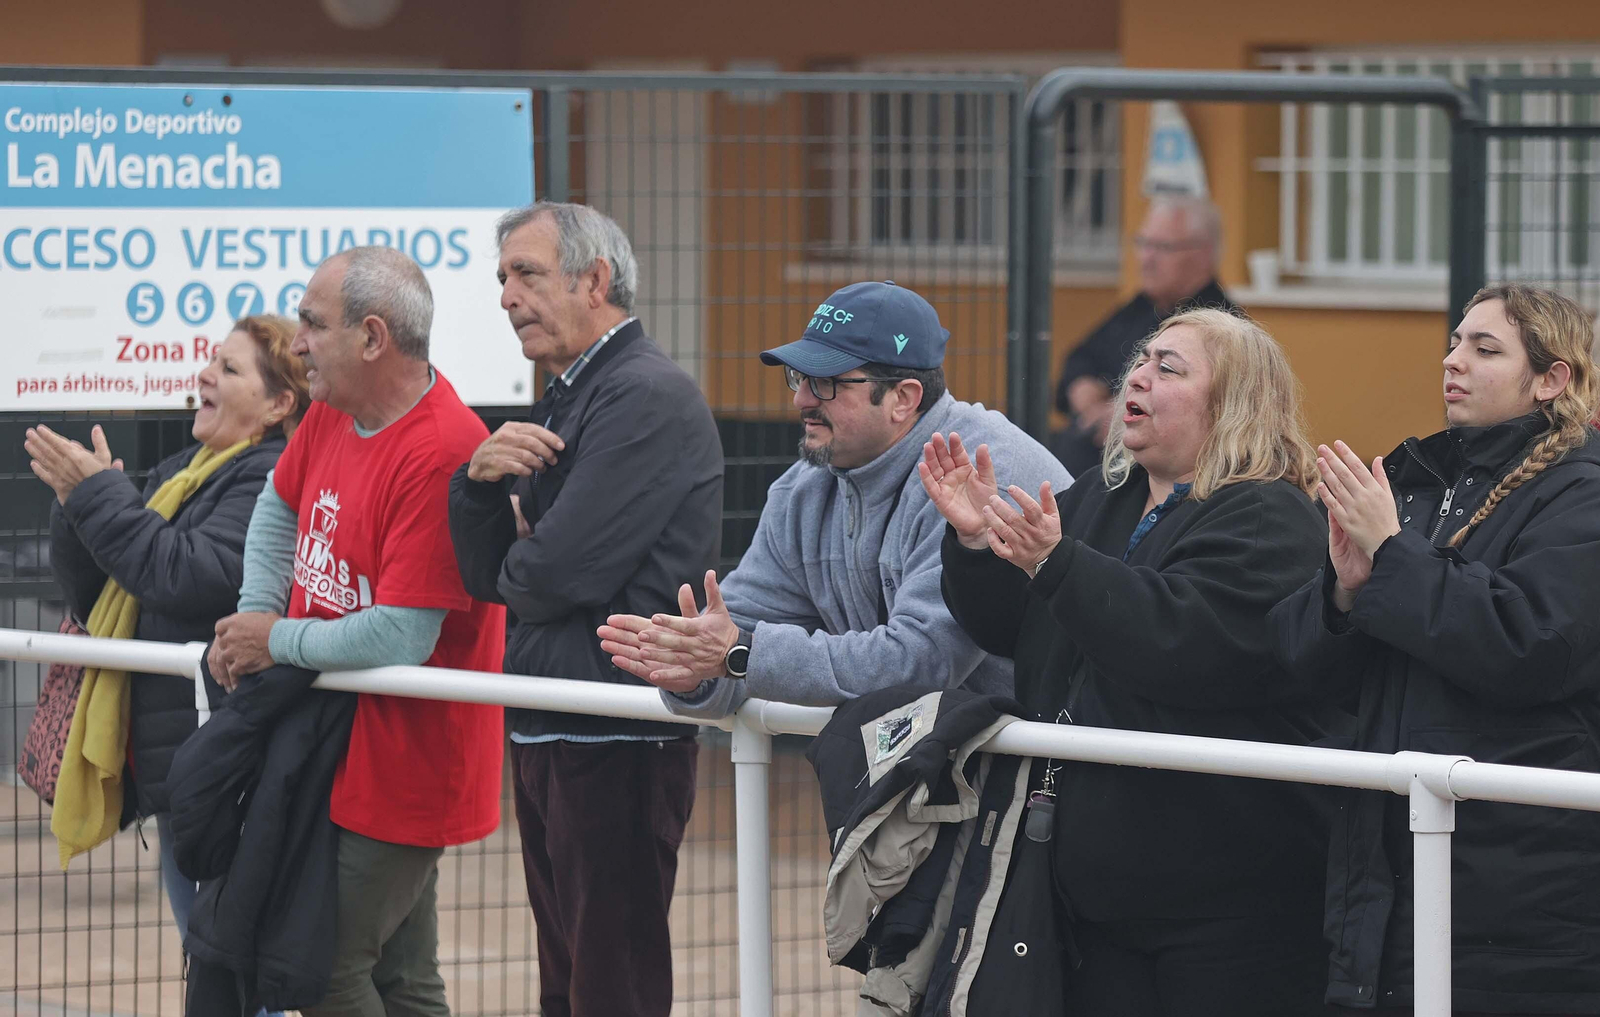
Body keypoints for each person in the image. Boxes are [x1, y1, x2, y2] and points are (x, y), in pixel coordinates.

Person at [931, 308, 1337, 1014]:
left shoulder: (1271, 516)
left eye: (1169, 368)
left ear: (1233, 402)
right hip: (1094, 897)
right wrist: (976, 546)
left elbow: (1177, 641)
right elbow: (1013, 629)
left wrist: (1054, 563)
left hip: (1228, 906)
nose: (1137, 377)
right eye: (1139, 362)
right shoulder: (1103, 494)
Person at [1272, 284, 1600, 1014]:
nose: (1453, 361)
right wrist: (1346, 594)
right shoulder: (1415, 483)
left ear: (1552, 379)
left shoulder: (1582, 494)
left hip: (1517, 906)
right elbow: (1299, 667)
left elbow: (1530, 643)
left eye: (1485, 349)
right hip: (1384, 887)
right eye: (1454, 343)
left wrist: (1392, 554)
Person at [208, 245, 507, 1017]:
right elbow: (279, 502)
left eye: (312, 322)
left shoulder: (444, 446)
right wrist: (256, 610)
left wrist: (271, 640)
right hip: (336, 738)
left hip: (407, 758)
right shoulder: (335, 411)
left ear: (373, 338)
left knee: (327, 967)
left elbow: (402, 634)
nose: (297, 339)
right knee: (401, 977)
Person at [446, 202, 721, 1017]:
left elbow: (552, 572)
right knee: (568, 977)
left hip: (617, 728)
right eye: (502, 277)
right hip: (555, 716)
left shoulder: (643, 396)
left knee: (612, 978)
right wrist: (478, 484)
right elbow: (488, 577)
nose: (506, 296)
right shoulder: (572, 394)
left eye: (525, 273)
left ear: (594, 280)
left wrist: (528, 555)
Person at [597, 280, 1070, 715]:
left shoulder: (986, 476)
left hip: (1062, 770)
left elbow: (922, 663)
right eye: (798, 378)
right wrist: (691, 671)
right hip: (940, 768)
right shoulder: (804, 489)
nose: (801, 399)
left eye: (824, 382)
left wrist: (739, 654)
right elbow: (732, 638)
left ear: (902, 398)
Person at [37, 315, 308, 992]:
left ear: (279, 406)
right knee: (206, 948)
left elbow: (182, 572)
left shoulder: (270, 478)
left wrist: (96, 495)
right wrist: (78, 506)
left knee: (230, 960)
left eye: (230, 368)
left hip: (225, 767)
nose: (204, 376)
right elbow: (96, 584)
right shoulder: (188, 470)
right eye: (210, 362)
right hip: (180, 767)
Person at [1052, 196, 1234, 475]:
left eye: (1162, 247)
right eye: (1143, 243)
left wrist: (1123, 415)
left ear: (1202, 253)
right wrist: (1084, 389)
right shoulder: (1141, 306)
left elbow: (1210, 413)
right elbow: (1081, 358)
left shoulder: (1221, 327)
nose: (1146, 258)